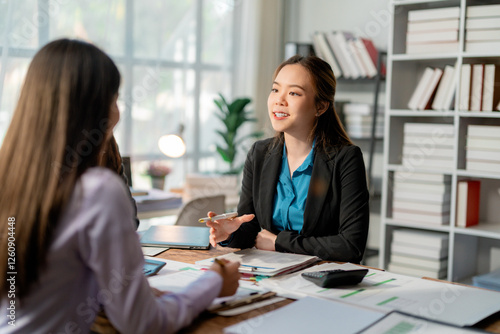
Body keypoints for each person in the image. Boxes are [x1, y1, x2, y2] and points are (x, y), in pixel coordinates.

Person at [0, 39, 240, 333]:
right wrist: (214, 281)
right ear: (97, 110)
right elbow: (144, 324)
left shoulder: (10, 179)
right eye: (114, 99)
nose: (118, 112)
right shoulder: (97, 190)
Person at [206, 55, 369, 263]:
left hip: (319, 279)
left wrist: (280, 242)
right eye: (275, 90)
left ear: (321, 107)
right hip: (268, 273)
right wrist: (230, 233)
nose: (279, 100)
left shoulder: (345, 159)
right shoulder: (259, 153)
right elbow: (253, 231)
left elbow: (350, 246)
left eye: (293, 93)